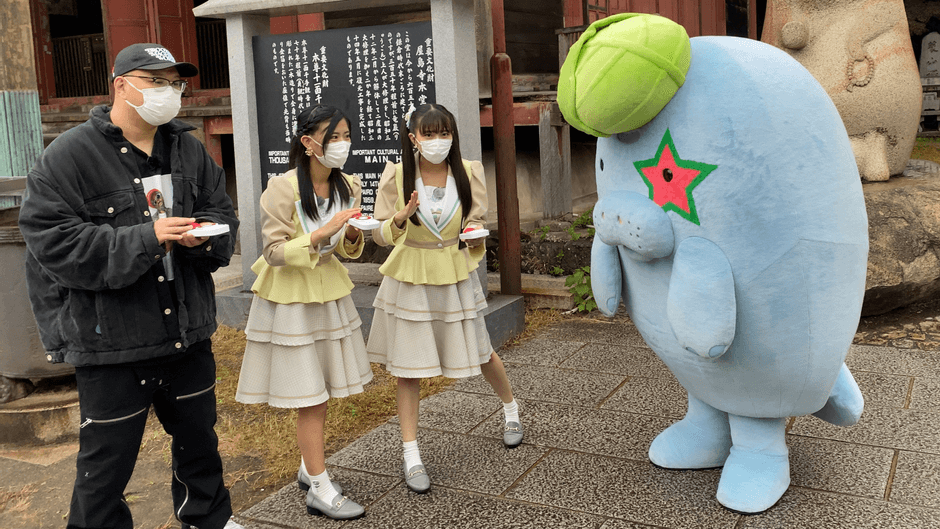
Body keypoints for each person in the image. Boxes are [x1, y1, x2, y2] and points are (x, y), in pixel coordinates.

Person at [18, 43, 241, 529]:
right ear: (121, 84)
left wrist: (201, 236)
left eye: (174, 83)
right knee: (105, 467)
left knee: (200, 445)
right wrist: (148, 237)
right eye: (154, 80)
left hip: (186, 330)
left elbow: (222, 214)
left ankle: (210, 520)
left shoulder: (187, 147)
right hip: (113, 343)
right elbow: (53, 244)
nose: (168, 92)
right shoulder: (68, 156)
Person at [367, 103, 524, 493]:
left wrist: (473, 229)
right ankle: (411, 453)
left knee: (482, 350)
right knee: (408, 368)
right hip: (412, 274)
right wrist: (401, 217)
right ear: (413, 138)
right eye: (429, 133)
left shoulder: (468, 171)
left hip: (455, 272)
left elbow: (477, 218)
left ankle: (510, 410)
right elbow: (378, 235)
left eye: (444, 133)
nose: (438, 141)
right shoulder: (397, 175)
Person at [234, 104, 371, 520]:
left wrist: (348, 235)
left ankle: (308, 467)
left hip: (329, 292)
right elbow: (273, 252)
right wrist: (319, 234)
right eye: (333, 138)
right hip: (291, 299)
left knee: (324, 385)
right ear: (308, 143)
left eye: (347, 136)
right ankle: (320, 487)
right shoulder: (282, 188)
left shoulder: (349, 184)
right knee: (310, 397)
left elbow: (349, 250)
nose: (342, 145)